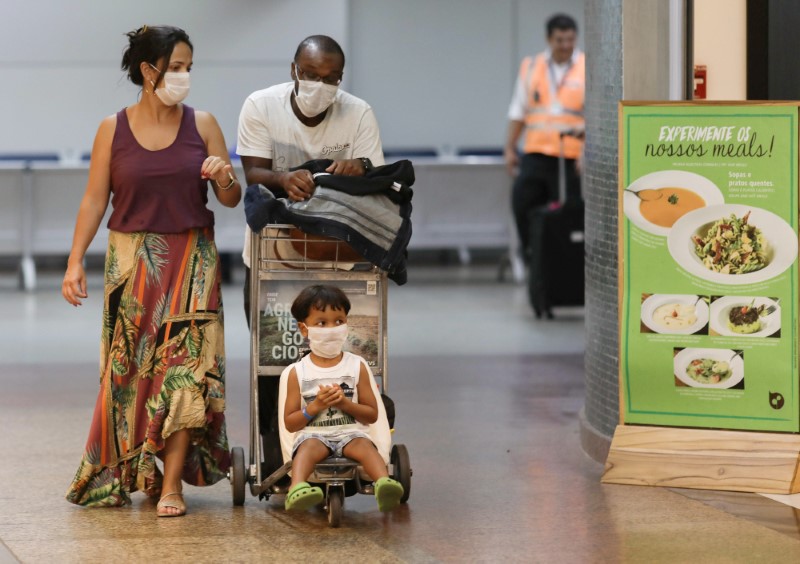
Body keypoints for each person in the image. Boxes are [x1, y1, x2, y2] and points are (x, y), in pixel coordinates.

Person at [61, 25, 241, 517]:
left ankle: (172, 486)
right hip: (131, 265)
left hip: (193, 262)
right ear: (148, 70)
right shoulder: (111, 129)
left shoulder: (202, 124)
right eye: (176, 67)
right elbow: (96, 199)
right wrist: (75, 260)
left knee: (184, 372)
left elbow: (230, 197)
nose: (184, 76)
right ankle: (142, 469)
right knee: (131, 375)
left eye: (188, 68)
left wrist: (225, 176)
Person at [236, 34, 384, 474]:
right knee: (274, 366)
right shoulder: (261, 106)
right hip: (271, 265)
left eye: (331, 78)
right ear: (293, 70)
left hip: (339, 263)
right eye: (311, 75)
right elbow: (253, 171)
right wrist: (283, 180)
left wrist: (361, 168)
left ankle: (351, 451)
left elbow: (378, 176)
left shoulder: (358, 114)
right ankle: (276, 464)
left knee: (351, 363)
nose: (321, 85)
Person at [282, 284, 403, 512]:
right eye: (322, 323)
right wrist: (315, 406)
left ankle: (383, 483)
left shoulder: (357, 365)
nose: (332, 328)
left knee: (366, 447)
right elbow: (290, 423)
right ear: (304, 329)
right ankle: (296, 488)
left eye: (339, 321)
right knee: (306, 449)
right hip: (314, 434)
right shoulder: (297, 373)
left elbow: (372, 414)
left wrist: (345, 404)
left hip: (351, 433)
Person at [504, 14, 585, 260]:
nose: (565, 45)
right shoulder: (531, 66)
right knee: (522, 201)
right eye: (560, 40)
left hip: (571, 157)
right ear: (549, 39)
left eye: (570, 39)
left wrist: (587, 150)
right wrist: (509, 148)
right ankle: (533, 255)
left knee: (569, 212)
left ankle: (566, 262)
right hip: (536, 153)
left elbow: (598, 115)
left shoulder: (587, 67)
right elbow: (518, 111)